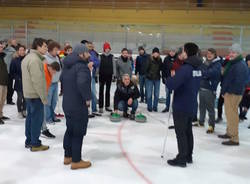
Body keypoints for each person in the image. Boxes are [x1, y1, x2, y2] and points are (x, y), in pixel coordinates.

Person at [166, 43, 202, 168]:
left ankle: (182, 158)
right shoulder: (198, 67)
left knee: (181, 132)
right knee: (188, 131)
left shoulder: (186, 68)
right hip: (191, 103)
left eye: (183, 50)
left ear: (186, 52)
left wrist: (170, 79)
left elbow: (172, 84)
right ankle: (188, 155)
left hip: (182, 104)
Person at [61, 43, 92, 170]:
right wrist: (87, 98)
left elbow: (63, 80)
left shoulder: (67, 66)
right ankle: (76, 160)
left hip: (67, 103)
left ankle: (67, 156)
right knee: (78, 132)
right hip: (78, 104)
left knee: (70, 129)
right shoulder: (81, 67)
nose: (89, 54)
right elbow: (82, 82)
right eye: (87, 52)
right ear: (81, 54)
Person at [22, 38, 49, 152]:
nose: (46, 48)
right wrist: (43, 97)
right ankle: (35, 143)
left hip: (29, 94)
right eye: (44, 46)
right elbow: (37, 81)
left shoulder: (28, 57)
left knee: (30, 118)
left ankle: (29, 141)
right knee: (36, 119)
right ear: (37, 46)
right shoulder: (35, 60)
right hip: (35, 95)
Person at [218, 43, 248, 146]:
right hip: (230, 92)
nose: (231, 54)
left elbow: (239, 82)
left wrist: (227, 91)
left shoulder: (239, 65)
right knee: (229, 114)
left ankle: (234, 139)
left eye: (234, 52)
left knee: (232, 116)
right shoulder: (233, 63)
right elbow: (228, 78)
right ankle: (230, 132)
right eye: (230, 52)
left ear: (238, 53)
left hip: (233, 93)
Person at [198, 48, 221, 133]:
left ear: (215, 54)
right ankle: (201, 121)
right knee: (201, 106)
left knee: (210, 108)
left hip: (210, 89)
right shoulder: (205, 62)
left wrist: (204, 73)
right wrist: (204, 74)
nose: (209, 55)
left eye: (211, 53)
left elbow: (211, 73)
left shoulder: (217, 64)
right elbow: (201, 71)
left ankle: (211, 125)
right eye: (208, 53)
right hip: (202, 87)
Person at [41, 61, 61, 138]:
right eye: (54, 71)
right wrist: (43, 96)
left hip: (44, 94)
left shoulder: (49, 73)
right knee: (42, 112)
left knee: (43, 112)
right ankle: (43, 129)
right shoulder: (44, 72)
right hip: (39, 95)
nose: (54, 73)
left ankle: (43, 128)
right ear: (51, 68)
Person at [44, 41, 61, 124]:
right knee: (48, 102)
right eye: (55, 49)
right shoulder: (45, 58)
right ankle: (48, 118)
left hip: (55, 83)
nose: (57, 51)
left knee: (54, 101)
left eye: (57, 49)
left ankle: (52, 115)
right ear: (50, 50)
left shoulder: (57, 57)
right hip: (49, 84)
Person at [9, 45, 27, 118]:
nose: (22, 51)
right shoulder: (14, 60)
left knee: (26, 98)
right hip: (18, 82)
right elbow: (12, 72)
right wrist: (17, 78)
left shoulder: (27, 59)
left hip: (26, 82)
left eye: (23, 50)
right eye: (20, 50)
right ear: (18, 51)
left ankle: (24, 110)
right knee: (20, 97)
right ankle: (19, 111)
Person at [99, 42, 116, 113]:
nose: (107, 50)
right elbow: (98, 66)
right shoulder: (100, 56)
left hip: (109, 75)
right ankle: (100, 106)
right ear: (104, 49)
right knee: (101, 91)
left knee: (108, 91)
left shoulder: (112, 56)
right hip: (102, 75)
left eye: (108, 48)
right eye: (106, 48)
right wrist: (97, 74)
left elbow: (114, 66)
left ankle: (107, 105)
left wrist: (114, 74)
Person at [145, 47, 162, 112]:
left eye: (157, 53)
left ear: (158, 54)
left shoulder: (160, 60)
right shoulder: (149, 59)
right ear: (152, 53)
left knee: (156, 94)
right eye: (154, 53)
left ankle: (155, 106)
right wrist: (148, 75)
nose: (155, 54)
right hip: (149, 79)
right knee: (149, 94)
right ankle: (149, 106)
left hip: (157, 79)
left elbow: (161, 68)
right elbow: (145, 69)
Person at [88, 42, 101, 117]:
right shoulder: (83, 53)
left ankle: (94, 109)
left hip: (91, 76)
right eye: (89, 46)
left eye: (91, 46)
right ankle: (85, 110)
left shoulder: (93, 53)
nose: (90, 47)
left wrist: (92, 63)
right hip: (84, 77)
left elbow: (97, 62)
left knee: (93, 93)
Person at [162, 47, 177, 113]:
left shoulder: (178, 59)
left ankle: (175, 107)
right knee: (168, 94)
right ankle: (167, 107)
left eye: (173, 51)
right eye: (171, 51)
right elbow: (163, 69)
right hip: (168, 79)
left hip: (176, 80)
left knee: (176, 94)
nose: (172, 53)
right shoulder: (166, 59)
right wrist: (163, 77)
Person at [4, 39, 17, 105]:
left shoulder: (6, 50)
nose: (16, 43)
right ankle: (8, 100)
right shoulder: (12, 50)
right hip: (7, 72)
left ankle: (8, 99)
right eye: (14, 42)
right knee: (8, 87)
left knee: (7, 86)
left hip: (7, 71)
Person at [239, 54, 250, 123]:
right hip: (243, 88)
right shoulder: (244, 67)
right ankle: (241, 115)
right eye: (249, 60)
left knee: (247, 104)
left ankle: (242, 115)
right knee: (241, 102)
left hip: (249, 89)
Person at [0, 41, 8, 125]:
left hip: (4, 81)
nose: (1, 48)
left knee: (2, 100)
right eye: (0, 47)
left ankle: (0, 115)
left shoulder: (2, 57)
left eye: (2, 47)